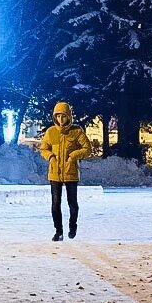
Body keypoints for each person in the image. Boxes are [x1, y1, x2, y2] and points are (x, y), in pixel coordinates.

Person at [39, 101, 91, 241]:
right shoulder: (51, 132)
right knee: (55, 203)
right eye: (58, 116)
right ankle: (58, 231)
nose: (61, 119)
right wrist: (50, 157)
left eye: (64, 116)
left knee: (72, 203)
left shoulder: (76, 131)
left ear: (69, 116)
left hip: (71, 172)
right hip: (55, 173)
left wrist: (74, 155)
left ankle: (72, 226)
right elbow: (44, 148)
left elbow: (87, 149)